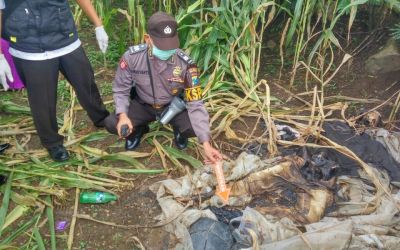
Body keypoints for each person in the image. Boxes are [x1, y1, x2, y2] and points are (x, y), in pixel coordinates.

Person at [104, 12, 222, 164]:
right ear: (148, 39)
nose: (167, 51)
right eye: (162, 46)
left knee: (196, 128)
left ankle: (180, 131)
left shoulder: (187, 65)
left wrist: (206, 144)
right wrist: (123, 115)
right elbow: (121, 89)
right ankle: (137, 130)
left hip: (173, 106)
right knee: (111, 122)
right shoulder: (132, 58)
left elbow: (195, 102)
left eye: (171, 46)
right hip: (143, 105)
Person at [0, 0, 110, 162]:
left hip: (65, 37)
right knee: (42, 101)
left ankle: (101, 117)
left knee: (85, 81)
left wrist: (98, 25)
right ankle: (52, 143)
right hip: (28, 46)